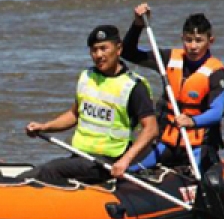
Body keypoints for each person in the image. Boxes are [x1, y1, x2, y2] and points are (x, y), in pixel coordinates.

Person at [22, 25, 158, 185]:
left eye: (103, 48)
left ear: (119, 48)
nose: (99, 55)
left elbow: (151, 128)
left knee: (50, 170)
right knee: (36, 173)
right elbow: (75, 114)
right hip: (81, 156)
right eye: (94, 50)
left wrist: (125, 161)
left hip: (108, 161)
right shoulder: (87, 77)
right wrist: (44, 127)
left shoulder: (133, 85)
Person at [122, 3, 224, 172]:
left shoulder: (216, 73)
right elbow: (128, 52)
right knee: (128, 169)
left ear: (210, 41)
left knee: (209, 183)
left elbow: (216, 113)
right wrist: (138, 25)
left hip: (197, 146)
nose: (193, 46)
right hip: (166, 142)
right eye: (188, 40)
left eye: (199, 40)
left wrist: (192, 121)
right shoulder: (168, 59)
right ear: (182, 38)